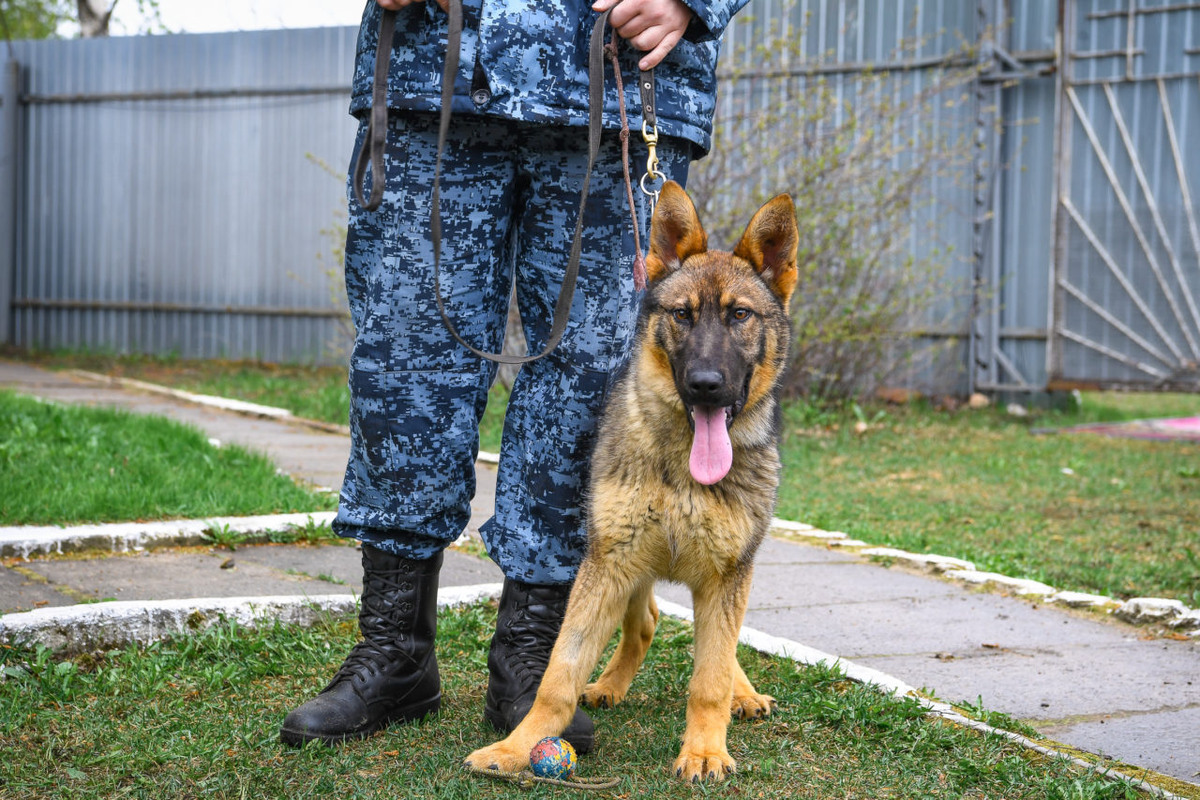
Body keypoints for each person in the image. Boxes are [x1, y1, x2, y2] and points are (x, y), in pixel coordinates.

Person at [279, 0, 750, 752]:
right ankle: (395, 650)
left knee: (594, 389)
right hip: (433, 80)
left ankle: (534, 658)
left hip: (614, 86)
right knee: (404, 371)